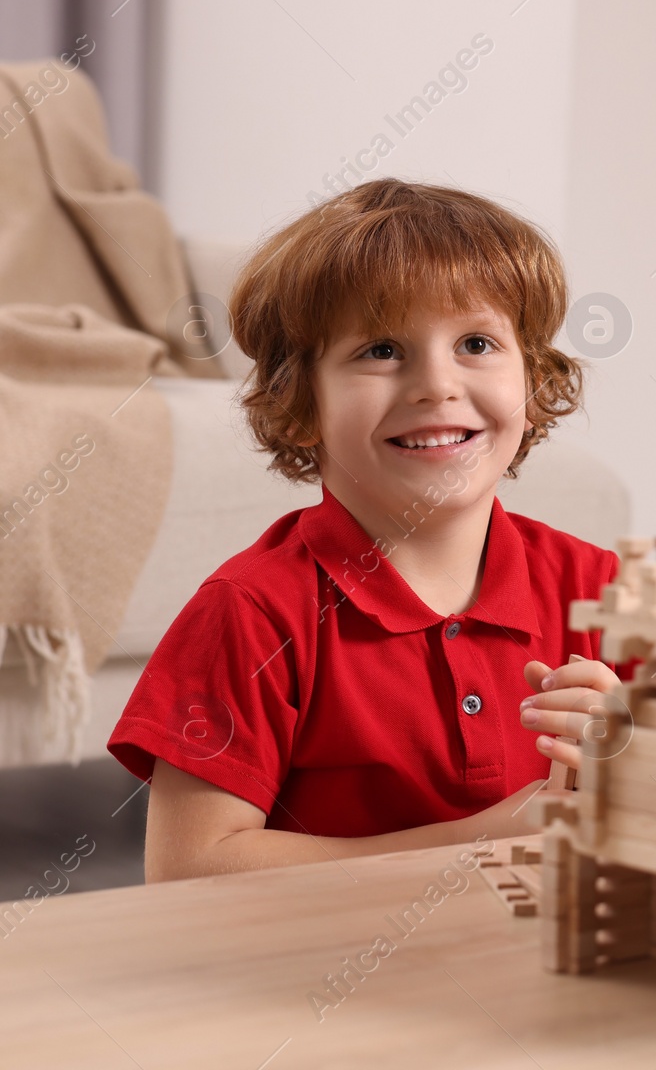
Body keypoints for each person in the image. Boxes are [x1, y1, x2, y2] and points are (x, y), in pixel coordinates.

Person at [108, 178, 625, 881]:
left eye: (475, 342)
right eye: (382, 350)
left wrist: (637, 749)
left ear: (532, 386)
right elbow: (189, 871)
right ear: (301, 403)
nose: (436, 385)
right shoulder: (250, 615)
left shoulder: (598, 588)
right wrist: (475, 841)